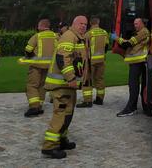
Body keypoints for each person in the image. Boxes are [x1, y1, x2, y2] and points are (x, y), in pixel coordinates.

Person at [41, 15, 88, 159]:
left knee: (68, 113)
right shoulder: (69, 36)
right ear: (74, 24)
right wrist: (71, 78)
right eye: (81, 23)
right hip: (62, 84)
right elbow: (62, 58)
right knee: (61, 113)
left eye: (86, 24)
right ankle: (49, 146)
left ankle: (61, 139)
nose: (83, 26)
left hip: (68, 85)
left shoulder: (77, 37)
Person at [22, 19, 57, 117]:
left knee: (32, 85)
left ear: (41, 26)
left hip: (36, 65)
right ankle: (40, 105)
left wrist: (30, 57)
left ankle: (34, 107)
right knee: (42, 85)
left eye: (38, 26)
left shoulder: (37, 36)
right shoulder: (56, 36)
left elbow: (28, 50)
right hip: (50, 66)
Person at [116, 18, 150, 117]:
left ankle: (130, 108)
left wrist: (117, 38)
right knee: (135, 85)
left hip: (138, 62)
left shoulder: (143, 32)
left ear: (143, 24)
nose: (135, 25)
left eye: (137, 23)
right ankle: (137, 107)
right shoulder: (141, 32)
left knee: (133, 85)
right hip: (138, 61)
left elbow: (129, 43)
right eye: (134, 23)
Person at [77, 16, 110, 108]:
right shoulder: (104, 32)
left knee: (87, 80)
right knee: (100, 79)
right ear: (98, 23)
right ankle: (100, 99)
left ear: (91, 23)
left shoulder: (88, 34)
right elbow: (106, 46)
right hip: (101, 59)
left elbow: (85, 48)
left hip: (90, 60)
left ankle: (87, 101)